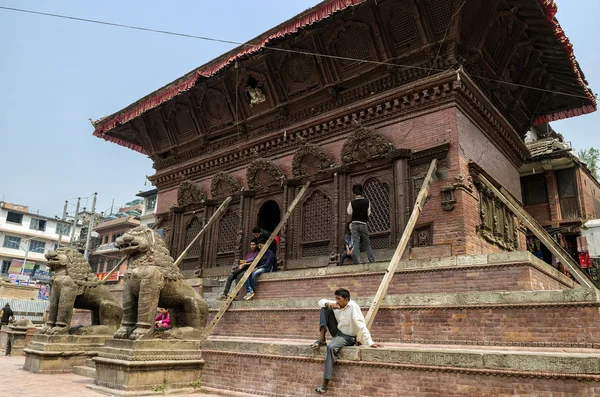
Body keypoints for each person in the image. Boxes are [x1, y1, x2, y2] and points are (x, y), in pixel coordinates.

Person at [311, 288, 380, 394]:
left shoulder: (353, 308)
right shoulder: (337, 304)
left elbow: (361, 325)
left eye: (339, 299)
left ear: (346, 299)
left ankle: (324, 385)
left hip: (348, 337)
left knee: (331, 347)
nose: (337, 301)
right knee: (324, 308)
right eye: (336, 299)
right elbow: (320, 301)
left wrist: (370, 342)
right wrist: (330, 303)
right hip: (337, 331)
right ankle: (322, 339)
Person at [347, 184, 375, 264]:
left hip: (355, 224)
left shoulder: (351, 203)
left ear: (354, 193)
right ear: (362, 192)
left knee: (356, 243)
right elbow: (368, 213)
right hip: (363, 224)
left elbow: (349, 212)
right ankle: (371, 260)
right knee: (367, 243)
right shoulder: (367, 202)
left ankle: (357, 262)